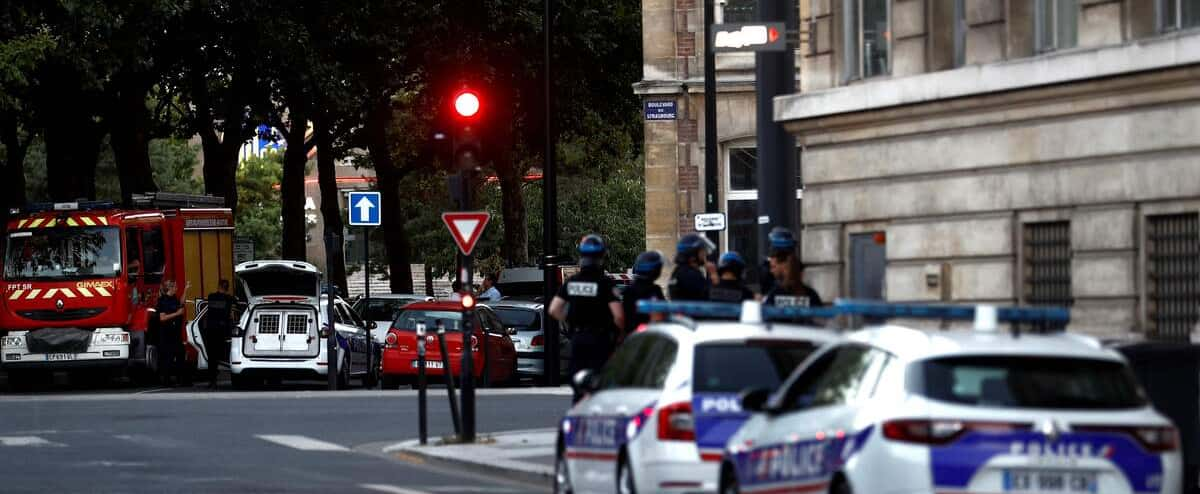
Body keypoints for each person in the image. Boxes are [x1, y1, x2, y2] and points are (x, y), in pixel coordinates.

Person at [549, 234, 624, 402]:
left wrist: (571, 319)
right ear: (602, 256)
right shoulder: (604, 283)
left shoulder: (572, 282)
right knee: (599, 384)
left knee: (578, 382)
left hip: (578, 339)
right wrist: (620, 336)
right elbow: (618, 316)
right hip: (600, 340)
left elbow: (554, 309)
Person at [763, 228, 824, 321]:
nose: (771, 269)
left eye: (773, 266)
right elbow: (822, 323)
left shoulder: (774, 296)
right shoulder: (811, 295)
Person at [621, 251, 666, 339]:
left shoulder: (629, 290)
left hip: (630, 338)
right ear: (656, 270)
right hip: (648, 339)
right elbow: (658, 317)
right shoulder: (654, 290)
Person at [153, 279, 189, 386]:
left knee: (180, 354)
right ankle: (166, 380)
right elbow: (162, 318)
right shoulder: (163, 301)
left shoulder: (174, 298)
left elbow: (181, 302)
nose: (177, 289)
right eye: (175, 287)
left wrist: (185, 290)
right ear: (170, 288)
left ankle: (181, 380)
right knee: (167, 357)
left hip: (176, 333)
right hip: (167, 333)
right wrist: (177, 314)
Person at [202, 280, 237, 388]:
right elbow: (231, 313)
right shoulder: (230, 299)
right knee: (221, 355)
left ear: (219, 286)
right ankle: (222, 377)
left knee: (212, 356)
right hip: (222, 330)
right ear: (227, 288)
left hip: (211, 330)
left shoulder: (211, 296)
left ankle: (212, 380)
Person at [669, 233, 717, 301]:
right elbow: (710, 297)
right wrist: (713, 275)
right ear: (692, 255)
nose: (705, 254)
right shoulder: (690, 275)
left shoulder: (678, 271)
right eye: (702, 251)